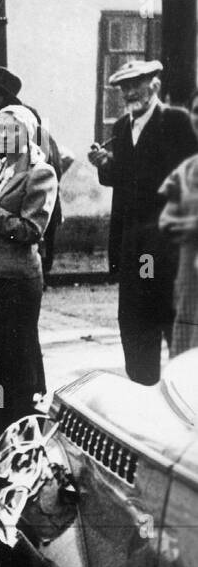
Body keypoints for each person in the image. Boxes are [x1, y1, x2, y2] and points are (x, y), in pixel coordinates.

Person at [89, 59, 198, 384]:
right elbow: (122, 183)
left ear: (155, 85)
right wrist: (104, 166)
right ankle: (143, 399)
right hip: (133, 247)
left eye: (136, 84)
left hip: (169, 248)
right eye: (124, 86)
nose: (129, 92)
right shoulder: (123, 127)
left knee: (178, 332)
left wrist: (117, 166)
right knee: (135, 329)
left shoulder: (176, 122)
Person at [0, 105, 58, 433]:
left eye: (11, 130)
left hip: (17, 277)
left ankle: (15, 426)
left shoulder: (40, 173)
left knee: (15, 359)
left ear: (28, 132)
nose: (3, 136)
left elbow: (32, 229)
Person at [158, 89, 198, 356]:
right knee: (186, 346)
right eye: (196, 111)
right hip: (190, 276)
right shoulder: (188, 169)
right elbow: (166, 219)